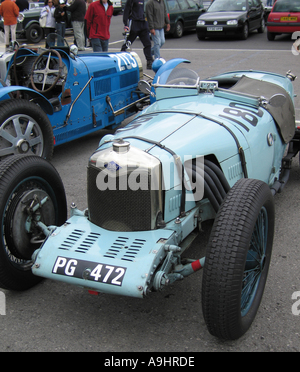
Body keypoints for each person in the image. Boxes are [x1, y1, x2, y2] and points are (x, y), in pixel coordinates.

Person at [121, 0, 152, 69]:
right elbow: (126, 11)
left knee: (147, 43)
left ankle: (149, 61)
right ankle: (121, 57)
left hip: (143, 23)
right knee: (127, 43)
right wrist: (126, 24)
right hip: (134, 23)